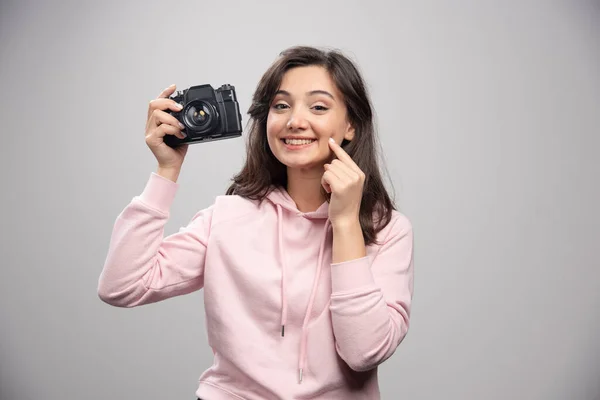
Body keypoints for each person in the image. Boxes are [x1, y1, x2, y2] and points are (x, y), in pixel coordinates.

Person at [98, 45, 415, 400]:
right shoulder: (228, 216)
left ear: (351, 126)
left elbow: (363, 353)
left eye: (318, 107)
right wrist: (166, 171)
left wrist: (345, 224)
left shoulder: (388, 231)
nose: (295, 120)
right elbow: (122, 286)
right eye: (281, 105)